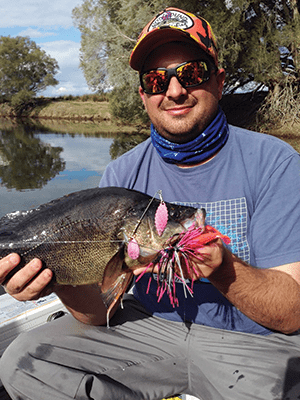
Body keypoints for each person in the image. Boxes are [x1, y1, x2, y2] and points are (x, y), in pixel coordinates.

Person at [1, 6, 300, 400]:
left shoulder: (276, 162)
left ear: (220, 81)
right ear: (144, 94)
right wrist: (55, 280)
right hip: (147, 331)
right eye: (158, 80)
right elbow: (99, 314)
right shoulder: (121, 176)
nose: (174, 91)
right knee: (23, 358)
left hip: (251, 341)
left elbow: (290, 313)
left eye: (192, 73)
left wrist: (221, 267)